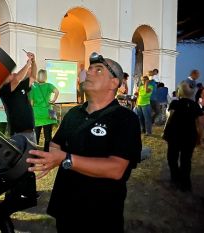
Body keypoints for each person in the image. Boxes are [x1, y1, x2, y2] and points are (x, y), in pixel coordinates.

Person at [26, 52, 142, 233]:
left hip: (99, 214)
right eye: (89, 69)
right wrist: (50, 157)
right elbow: (57, 143)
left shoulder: (125, 119)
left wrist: (65, 159)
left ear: (114, 83)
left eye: (99, 70)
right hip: (66, 207)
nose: (88, 73)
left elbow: (116, 168)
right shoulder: (73, 114)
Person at [0, 51, 38, 204]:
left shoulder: (20, 87)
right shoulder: (5, 90)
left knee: (30, 164)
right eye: (11, 73)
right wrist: (27, 63)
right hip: (19, 134)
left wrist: (33, 62)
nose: (14, 74)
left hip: (30, 131)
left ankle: (30, 193)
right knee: (19, 165)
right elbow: (18, 77)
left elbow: (32, 77)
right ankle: (15, 194)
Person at [163, 80, 204, 192]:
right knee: (186, 160)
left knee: (172, 157)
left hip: (174, 135)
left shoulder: (175, 103)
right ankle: (185, 183)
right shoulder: (196, 106)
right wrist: (199, 138)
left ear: (179, 92)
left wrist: (165, 131)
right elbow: (200, 124)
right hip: (189, 136)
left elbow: (169, 118)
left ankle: (175, 178)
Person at [29, 69, 59, 151]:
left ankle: (35, 154)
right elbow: (57, 91)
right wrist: (53, 100)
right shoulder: (49, 85)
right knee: (48, 136)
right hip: (49, 112)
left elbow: (31, 103)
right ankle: (46, 154)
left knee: (36, 136)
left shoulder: (33, 86)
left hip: (36, 113)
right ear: (45, 77)